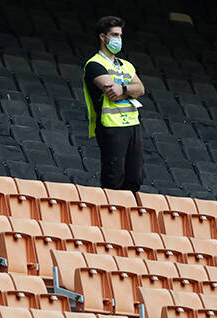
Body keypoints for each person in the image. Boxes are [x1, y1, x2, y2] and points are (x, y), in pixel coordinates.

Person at [83, 16, 146, 191]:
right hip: (111, 126)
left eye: (120, 35)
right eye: (115, 35)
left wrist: (123, 89)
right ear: (103, 37)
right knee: (114, 177)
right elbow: (111, 92)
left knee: (135, 176)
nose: (119, 39)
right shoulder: (94, 64)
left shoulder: (126, 65)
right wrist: (127, 89)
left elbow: (141, 89)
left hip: (133, 124)